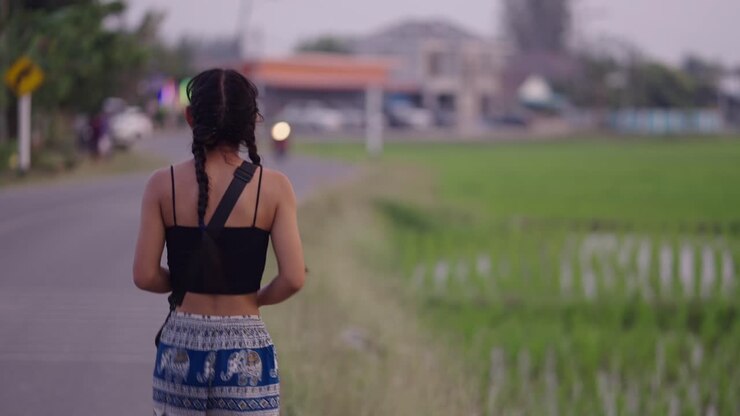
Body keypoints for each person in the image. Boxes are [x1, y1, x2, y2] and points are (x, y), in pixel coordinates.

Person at [133, 68, 305, 415]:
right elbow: (293, 278)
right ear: (252, 122)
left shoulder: (161, 184)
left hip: (181, 345)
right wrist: (254, 298)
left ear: (190, 117)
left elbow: (145, 275)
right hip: (246, 350)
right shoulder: (274, 188)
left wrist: (184, 281)